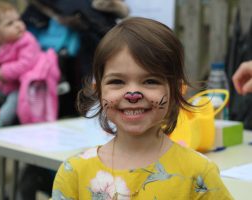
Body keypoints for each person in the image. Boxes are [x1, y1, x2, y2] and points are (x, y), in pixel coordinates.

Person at [51, 17, 232, 199]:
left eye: (150, 81)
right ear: (99, 92)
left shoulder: (198, 174)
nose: (133, 95)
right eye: (117, 82)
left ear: (176, 91)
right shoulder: (74, 173)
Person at [0, 1, 60, 127]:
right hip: (0, 86)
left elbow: (26, 64)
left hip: (18, 88)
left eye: (18, 20)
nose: (18, 25)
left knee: (12, 104)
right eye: (10, 23)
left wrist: (5, 71)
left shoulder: (27, 41)